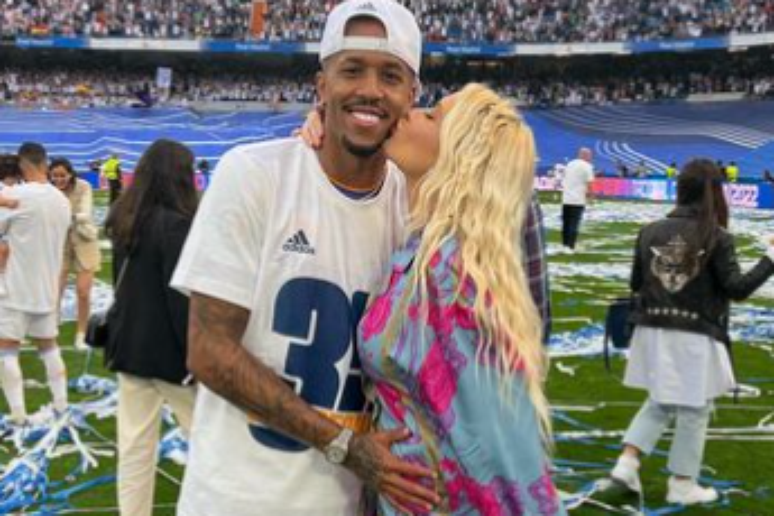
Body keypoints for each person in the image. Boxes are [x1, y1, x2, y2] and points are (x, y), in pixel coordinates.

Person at [170, 1, 438, 515]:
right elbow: (208, 351)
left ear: (412, 96)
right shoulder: (254, 175)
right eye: (351, 70)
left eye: (390, 75)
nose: (370, 90)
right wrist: (344, 445)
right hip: (239, 501)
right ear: (321, 87)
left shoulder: (416, 211)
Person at [358, 83, 564, 514]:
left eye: (432, 116)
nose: (412, 113)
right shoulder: (428, 248)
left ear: (459, 157)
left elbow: (502, 446)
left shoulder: (453, 274)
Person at [608, 159, 774, 505]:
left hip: (650, 327)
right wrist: (771, 256)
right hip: (694, 332)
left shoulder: (649, 230)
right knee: (695, 408)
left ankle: (627, 462)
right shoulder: (716, 236)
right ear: (714, 192)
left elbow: (636, 283)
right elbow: (737, 288)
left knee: (661, 400)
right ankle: (683, 483)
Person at [104, 139, 199, 516]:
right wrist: (196, 359)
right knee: (207, 448)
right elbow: (181, 300)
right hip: (172, 359)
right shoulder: (177, 226)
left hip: (129, 350)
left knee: (134, 449)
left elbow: (119, 285)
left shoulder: (123, 217)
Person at [0, 143, 71, 425]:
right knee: (49, 347)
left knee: (6, 349)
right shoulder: (61, 200)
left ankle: (18, 415)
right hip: (46, 286)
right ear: (45, 163)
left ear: (22, 164)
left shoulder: (16, 195)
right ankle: (61, 407)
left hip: (14, 286)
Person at [50, 158, 101, 351]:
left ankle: (81, 333)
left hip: (84, 240)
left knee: (82, 292)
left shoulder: (84, 186)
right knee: (55, 289)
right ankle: (51, 328)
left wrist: (64, 216)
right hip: (59, 242)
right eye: (55, 176)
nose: (59, 179)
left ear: (70, 173)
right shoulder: (49, 190)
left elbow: (85, 214)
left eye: (62, 175)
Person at [561, 147, 594, 253]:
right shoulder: (587, 166)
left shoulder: (570, 164)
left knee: (566, 223)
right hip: (578, 199)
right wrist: (591, 197)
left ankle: (565, 244)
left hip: (566, 198)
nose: (590, 158)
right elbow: (590, 183)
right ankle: (571, 246)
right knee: (574, 223)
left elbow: (564, 178)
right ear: (585, 155)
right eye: (589, 155)